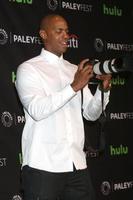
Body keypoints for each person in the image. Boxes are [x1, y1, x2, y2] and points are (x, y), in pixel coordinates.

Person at [16, 14, 112, 200]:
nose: (66, 36)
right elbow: (37, 110)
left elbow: (91, 115)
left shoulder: (73, 70)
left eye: (67, 31)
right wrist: (74, 86)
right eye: (59, 31)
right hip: (43, 165)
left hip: (76, 165)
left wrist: (103, 89)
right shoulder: (28, 69)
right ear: (43, 34)